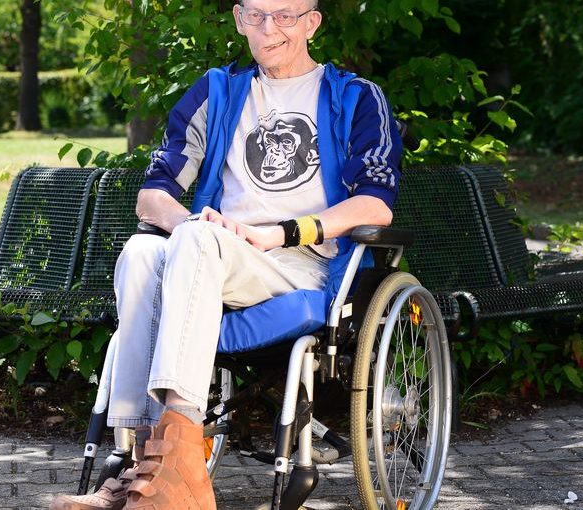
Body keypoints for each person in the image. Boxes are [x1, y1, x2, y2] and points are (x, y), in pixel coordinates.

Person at [50, 0, 401, 508]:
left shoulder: (355, 97)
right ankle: (146, 465)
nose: (269, 27)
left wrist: (279, 233)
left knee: (193, 242)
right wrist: (192, 222)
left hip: (299, 263)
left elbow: (375, 202)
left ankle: (173, 471)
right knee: (143, 251)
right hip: (210, 253)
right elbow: (153, 194)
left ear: (311, 22)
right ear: (239, 19)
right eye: (257, 15)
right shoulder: (216, 92)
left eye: (285, 15)